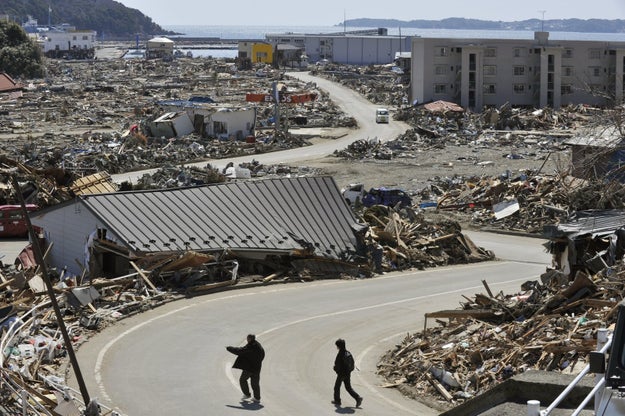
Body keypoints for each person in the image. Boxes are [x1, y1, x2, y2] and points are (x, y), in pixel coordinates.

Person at [226, 334, 265, 403]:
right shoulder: (258, 345)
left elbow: (240, 351)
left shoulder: (250, 346)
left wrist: (230, 348)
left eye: (247, 338)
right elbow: (263, 354)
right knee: (255, 383)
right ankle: (257, 398)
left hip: (249, 368)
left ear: (249, 339)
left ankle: (247, 394)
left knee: (242, 380)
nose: (247, 340)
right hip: (257, 368)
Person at [332, 338, 363, 408]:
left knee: (336, 387)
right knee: (348, 388)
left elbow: (337, 364)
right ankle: (358, 398)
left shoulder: (340, 354)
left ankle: (337, 400)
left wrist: (335, 369)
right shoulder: (348, 353)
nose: (336, 347)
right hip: (347, 373)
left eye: (337, 346)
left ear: (339, 346)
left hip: (341, 374)